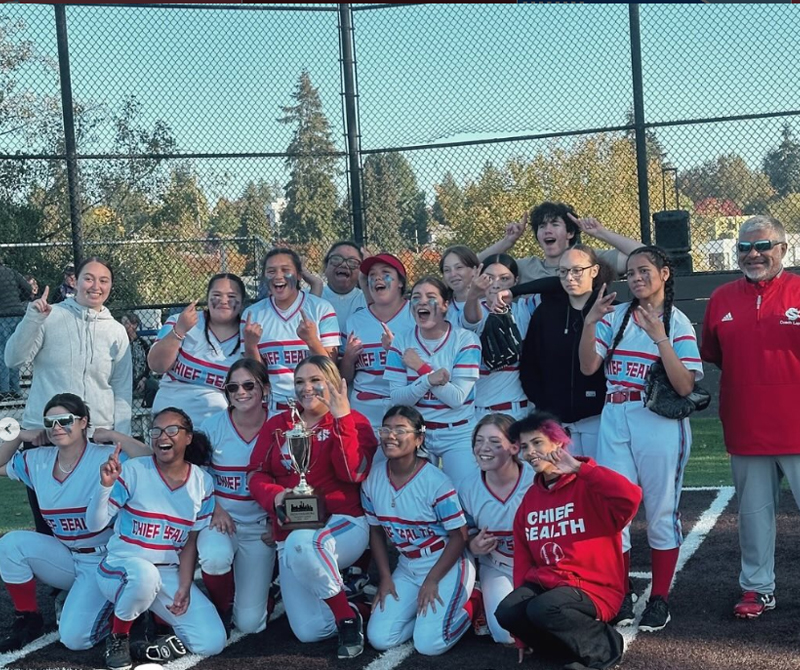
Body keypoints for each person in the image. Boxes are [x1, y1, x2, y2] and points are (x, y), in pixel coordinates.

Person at [578, 245, 703, 632]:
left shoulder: (677, 321)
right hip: (615, 416)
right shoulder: (615, 315)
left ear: (664, 274)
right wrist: (589, 322)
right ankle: (622, 592)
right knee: (614, 509)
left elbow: (685, 386)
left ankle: (660, 597)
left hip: (657, 420)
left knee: (661, 511)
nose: (635, 278)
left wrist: (660, 338)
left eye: (644, 270)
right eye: (630, 272)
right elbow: (588, 366)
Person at [700, 215, 800, 620]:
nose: (753, 254)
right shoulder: (721, 298)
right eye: (744, 247)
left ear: (783, 249)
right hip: (746, 426)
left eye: (762, 246)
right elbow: (715, 354)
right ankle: (758, 588)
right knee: (754, 518)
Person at [247, 355, 377, 659]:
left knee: (303, 544)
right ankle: (356, 607)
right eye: (299, 382)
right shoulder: (279, 424)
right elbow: (255, 473)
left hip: (342, 522)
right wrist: (275, 496)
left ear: (332, 382)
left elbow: (352, 473)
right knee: (310, 631)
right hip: (291, 526)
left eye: (315, 380)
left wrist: (341, 419)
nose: (306, 388)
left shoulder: (356, 420)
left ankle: (345, 620)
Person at [0, 393, 149, 654]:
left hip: (105, 560)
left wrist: (114, 435)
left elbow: (152, 460)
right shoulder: (38, 459)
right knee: (11, 544)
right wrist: (19, 436)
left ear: (83, 422)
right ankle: (28, 618)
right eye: (50, 422)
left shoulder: (107, 455)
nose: (57, 427)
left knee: (75, 639)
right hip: (67, 555)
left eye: (65, 420)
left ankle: (125, 609)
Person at [495, 411, 641, 670]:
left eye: (537, 442)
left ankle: (605, 648)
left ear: (558, 442)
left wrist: (579, 469)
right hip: (550, 586)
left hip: (594, 588)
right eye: (525, 447)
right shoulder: (531, 499)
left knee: (544, 608)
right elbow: (523, 562)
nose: (530, 452)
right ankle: (564, 653)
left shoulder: (589, 482)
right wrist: (521, 636)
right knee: (508, 611)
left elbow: (631, 497)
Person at [87, 407, 226, 670]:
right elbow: (94, 524)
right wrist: (105, 485)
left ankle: (147, 639)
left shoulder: (202, 482)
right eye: (156, 431)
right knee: (144, 576)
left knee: (212, 642)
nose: (163, 436)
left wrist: (185, 585)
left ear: (188, 437)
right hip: (121, 567)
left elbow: (190, 542)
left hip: (167, 572)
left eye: (172, 430)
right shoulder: (133, 469)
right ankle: (119, 637)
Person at [362, 405, 476, 655]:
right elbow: (376, 531)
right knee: (380, 638)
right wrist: (385, 577)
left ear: (419, 439)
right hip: (407, 565)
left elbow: (459, 537)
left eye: (400, 430)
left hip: (445, 563)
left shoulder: (436, 482)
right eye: (386, 429)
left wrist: (432, 580)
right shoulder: (372, 479)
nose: (391, 436)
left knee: (430, 644)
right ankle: (428, 620)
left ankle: (474, 603)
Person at [496, 245, 616, 459]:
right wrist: (544, 405)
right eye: (563, 271)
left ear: (594, 271)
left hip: (599, 418)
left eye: (577, 270)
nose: (569, 277)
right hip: (555, 420)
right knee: (560, 477)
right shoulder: (546, 312)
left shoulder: (612, 311)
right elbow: (530, 362)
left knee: (597, 475)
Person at [4, 256, 132, 435]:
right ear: (75, 282)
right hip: (46, 432)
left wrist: (121, 437)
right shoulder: (48, 316)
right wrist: (31, 320)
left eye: (103, 281)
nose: (96, 286)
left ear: (111, 285)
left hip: (97, 436)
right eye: (89, 279)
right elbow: (13, 360)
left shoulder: (116, 331)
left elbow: (122, 389)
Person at [197, 358, 274, 635]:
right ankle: (223, 606)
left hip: (261, 529)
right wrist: (214, 508)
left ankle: (270, 587)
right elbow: (195, 476)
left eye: (249, 385)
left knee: (250, 625)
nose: (240, 392)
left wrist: (279, 522)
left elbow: (293, 480)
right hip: (222, 521)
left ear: (265, 389)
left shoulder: (281, 424)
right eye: (233, 387)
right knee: (215, 557)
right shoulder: (211, 427)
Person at [384, 276, 481, 486]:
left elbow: (456, 398)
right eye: (416, 297)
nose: (422, 302)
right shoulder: (401, 340)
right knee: (417, 493)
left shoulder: (466, 339)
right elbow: (398, 399)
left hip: (457, 432)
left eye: (431, 297)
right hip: (418, 432)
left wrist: (420, 367)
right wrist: (428, 379)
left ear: (445, 305)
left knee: (464, 492)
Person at [457, 413, 533, 644]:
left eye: (494, 441)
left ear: (514, 447)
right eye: (479, 441)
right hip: (498, 566)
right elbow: (465, 533)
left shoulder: (535, 480)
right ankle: (478, 597)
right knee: (505, 635)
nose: (484, 448)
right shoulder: (468, 487)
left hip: (538, 567)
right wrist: (473, 544)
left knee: (545, 618)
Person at [242, 248, 340, 413]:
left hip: (316, 407)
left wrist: (311, 340)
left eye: (285, 270)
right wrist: (251, 346)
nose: (278, 276)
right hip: (275, 408)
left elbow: (331, 368)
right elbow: (256, 375)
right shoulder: (252, 314)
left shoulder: (321, 308)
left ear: (299, 275)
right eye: (271, 271)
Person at [148, 273, 246, 427]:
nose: (223, 301)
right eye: (216, 295)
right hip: (170, 422)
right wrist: (179, 330)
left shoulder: (248, 333)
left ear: (242, 302)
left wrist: (251, 345)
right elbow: (156, 365)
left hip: (217, 425)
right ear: (207, 298)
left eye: (231, 296)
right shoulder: (180, 320)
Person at [340, 253, 414, 433]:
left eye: (386, 273)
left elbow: (428, 369)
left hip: (405, 407)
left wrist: (396, 352)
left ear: (400, 282)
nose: (378, 278)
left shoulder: (415, 315)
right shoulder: (355, 321)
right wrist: (348, 358)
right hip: (364, 408)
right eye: (372, 275)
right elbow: (344, 378)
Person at [479, 202, 640, 283]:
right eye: (542, 226)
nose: (547, 230)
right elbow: (473, 266)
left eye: (555, 224)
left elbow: (645, 254)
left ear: (570, 233)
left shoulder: (591, 259)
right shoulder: (525, 268)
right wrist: (508, 241)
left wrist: (601, 233)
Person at [462, 254, 539, 420]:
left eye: (504, 279)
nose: (496, 284)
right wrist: (473, 294)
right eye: (489, 278)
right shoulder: (474, 308)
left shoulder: (525, 308)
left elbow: (557, 285)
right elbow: (471, 320)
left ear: (516, 280)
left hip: (518, 409)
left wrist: (515, 292)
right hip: (480, 411)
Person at [0, 255, 33, 398]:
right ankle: (15, 389)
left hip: (2, 315)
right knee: (14, 351)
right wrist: (19, 299)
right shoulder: (12, 272)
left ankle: (4, 390)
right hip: (16, 313)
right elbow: (28, 288)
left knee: (2, 353)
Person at [320, 241, 367, 336]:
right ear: (325, 267)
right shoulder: (310, 296)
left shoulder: (368, 300)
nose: (344, 265)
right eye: (336, 259)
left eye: (353, 262)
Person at [440, 245, 480, 325]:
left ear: (474, 270)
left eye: (459, 267)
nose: (453, 274)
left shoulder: (489, 303)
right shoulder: (441, 308)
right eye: (447, 270)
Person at [121, 313, 150, 399]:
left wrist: (143, 379)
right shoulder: (120, 343)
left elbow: (149, 364)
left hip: (140, 379)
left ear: (134, 325)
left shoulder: (143, 343)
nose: (123, 326)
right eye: (122, 323)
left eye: (126, 323)